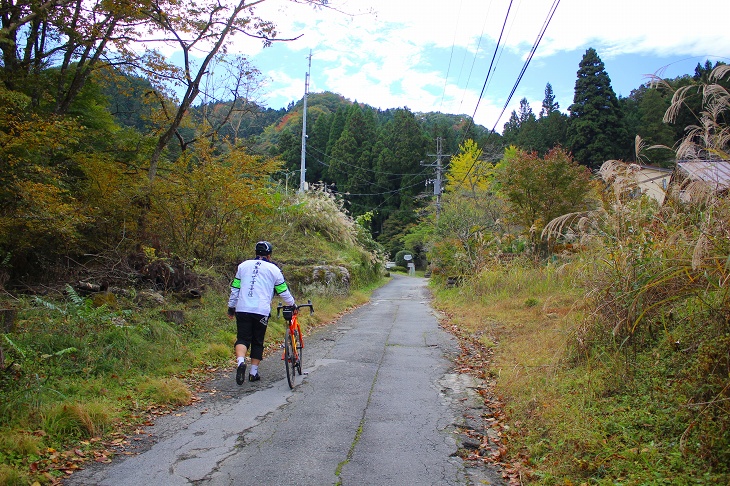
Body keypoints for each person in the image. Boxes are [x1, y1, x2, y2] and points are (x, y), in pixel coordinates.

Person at [228, 241, 295, 385]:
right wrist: (292, 304)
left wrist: (231, 307)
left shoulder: (243, 266)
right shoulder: (274, 269)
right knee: (258, 340)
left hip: (242, 308)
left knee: (242, 338)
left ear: (255, 253)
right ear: (269, 255)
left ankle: (240, 362)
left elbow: (235, 288)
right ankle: (253, 373)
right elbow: (283, 291)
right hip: (261, 310)